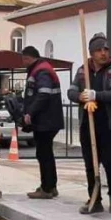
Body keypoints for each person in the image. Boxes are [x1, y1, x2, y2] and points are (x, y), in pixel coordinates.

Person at [68, 33, 111, 214]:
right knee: (90, 164)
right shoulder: (82, 70)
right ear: (92, 53)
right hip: (88, 123)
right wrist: (80, 97)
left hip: (110, 124)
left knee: (110, 162)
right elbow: (71, 91)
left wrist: (97, 95)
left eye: (106, 49)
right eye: (99, 50)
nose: (103, 53)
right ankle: (95, 198)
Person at [21, 46, 64, 199]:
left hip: (46, 120)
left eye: (23, 59)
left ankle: (46, 188)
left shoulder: (41, 71)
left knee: (43, 154)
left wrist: (30, 113)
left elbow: (43, 94)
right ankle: (51, 186)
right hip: (48, 119)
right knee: (46, 153)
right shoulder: (42, 68)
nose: (23, 62)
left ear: (27, 58)